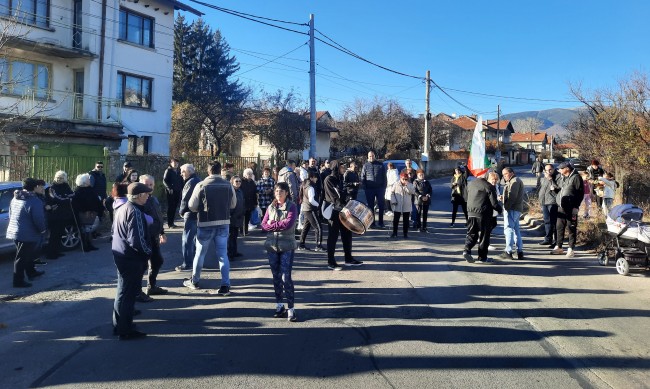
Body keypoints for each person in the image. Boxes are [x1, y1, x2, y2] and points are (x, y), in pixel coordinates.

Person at [184, 161, 237, 294]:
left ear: (208, 171)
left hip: (205, 223)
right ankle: (225, 285)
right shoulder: (228, 185)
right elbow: (233, 204)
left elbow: (191, 205)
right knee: (223, 255)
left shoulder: (201, 185)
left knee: (200, 254)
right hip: (223, 223)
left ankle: (194, 281)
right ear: (220, 171)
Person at [111, 182, 152, 340]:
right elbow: (137, 241)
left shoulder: (122, 208)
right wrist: (148, 253)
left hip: (121, 255)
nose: (148, 196)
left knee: (122, 292)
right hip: (130, 258)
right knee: (128, 295)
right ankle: (125, 329)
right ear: (139, 195)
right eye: (146, 194)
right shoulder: (134, 212)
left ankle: (119, 324)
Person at [262, 182, 299, 322]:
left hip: (287, 246)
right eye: (277, 191)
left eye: (281, 191)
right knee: (276, 277)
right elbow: (263, 225)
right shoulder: (271, 207)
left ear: (287, 193)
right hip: (272, 246)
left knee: (286, 277)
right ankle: (279, 305)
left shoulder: (292, 207)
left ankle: (291, 308)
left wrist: (273, 224)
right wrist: (272, 225)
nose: (278, 193)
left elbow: (288, 224)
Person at [6, 178, 47, 288]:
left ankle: (31, 272)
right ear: (34, 187)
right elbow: (38, 218)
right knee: (22, 258)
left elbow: (10, 214)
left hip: (16, 231)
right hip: (27, 234)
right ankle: (18, 281)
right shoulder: (34, 201)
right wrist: (42, 230)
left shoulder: (16, 197)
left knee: (27, 255)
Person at [324, 159, 363, 270]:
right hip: (334, 211)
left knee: (347, 234)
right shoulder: (329, 179)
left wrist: (350, 203)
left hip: (343, 210)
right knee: (333, 237)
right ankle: (330, 261)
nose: (344, 168)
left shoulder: (340, 178)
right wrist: (343, 208)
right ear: (336, 167)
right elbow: (334, 197)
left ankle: (348, 258)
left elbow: (343, 194)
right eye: (342, 167)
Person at [463, 171, 502, 264]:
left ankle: (466, 250)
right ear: (486, 176)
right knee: (484, 236)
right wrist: (500, 210)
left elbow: (465, 197)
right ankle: (482, 257)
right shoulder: (488, 186)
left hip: (471, 213)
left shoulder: (471, 184)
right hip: (484, 214)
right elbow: (494, 203)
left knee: (471, 234)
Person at [139, 175, 168, 297]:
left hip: (154, 237)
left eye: (151, 185)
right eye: (146, 185)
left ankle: (151, 286)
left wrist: (162, 232)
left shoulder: (154, 199)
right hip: (144, 238)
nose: (149, 187)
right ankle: (137, 292)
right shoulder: (140, 201)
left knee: (157, 261)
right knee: (141, 266)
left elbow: (158, 217)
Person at [551, 162, 584, 258]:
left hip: (571, 207)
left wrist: (576, 206)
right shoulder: (564, 177)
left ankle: (571, 249)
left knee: (571, 227)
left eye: (561, 169)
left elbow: (580, 193)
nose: (559, 170)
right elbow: (562, 190)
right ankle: (559, 246)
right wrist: (555, 190)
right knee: (559, 227)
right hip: (561, 206)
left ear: (567, 169)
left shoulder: (576, 177)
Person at [176, 164, 201, 272]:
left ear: (189, 172)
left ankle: (187, 263)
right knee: (196, 238)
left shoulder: (190, 182)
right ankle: (196, 261)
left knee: (187, 239)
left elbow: (185, 200)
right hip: (198, 213)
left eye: (183, 171)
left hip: (190, 213)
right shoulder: (198, 180)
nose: (181, 174)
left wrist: (181, 211)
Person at [43, 171, 74, 259]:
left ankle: (57, 251)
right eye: (57, 177)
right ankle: (50, 253)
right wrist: (67, 199)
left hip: (64, 215)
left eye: (61, 178)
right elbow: (58, 199)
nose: (59, 179)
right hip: (54, 215)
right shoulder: (51, 188)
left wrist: (67, 198)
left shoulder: (66, 186)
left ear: (64, 179)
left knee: (60, 234)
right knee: (53, 235)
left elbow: (72, 195)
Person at [498, 167, 525, 260]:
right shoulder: (512, 181)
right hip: (514, 208)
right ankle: (520, 251)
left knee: (508, 229)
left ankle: (508, 251)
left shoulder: (515, 181)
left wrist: (506, 207)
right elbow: (510, 195)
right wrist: (503, 198)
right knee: (516, 230)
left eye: (506, 174)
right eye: (503, 174)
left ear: (512, 173)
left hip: (512, 209)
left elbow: (513, 196)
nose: (504, 176)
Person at [72, 173, 103, 252]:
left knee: (88, 230)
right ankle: (85, 246)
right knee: (84, 230)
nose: (90, 180)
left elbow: (96, 200)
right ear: (84, 182)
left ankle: (89, 245)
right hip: (84, 213)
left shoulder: (90, 189)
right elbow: (78, 205)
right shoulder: (78, 192)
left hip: (92, 213)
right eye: (88, 179)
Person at [298, 171, 324, 251]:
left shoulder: (304, 184)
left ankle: (301, 245)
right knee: (318, 227)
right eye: (316, 178)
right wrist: (318, 205)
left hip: (305, 208)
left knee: (306, 227)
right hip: (310, 209)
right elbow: (311, 199)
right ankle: (318, 245)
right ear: (312, 177)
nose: (316, 179)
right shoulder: (311, 186)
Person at [360, 151, 386, 229]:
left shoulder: (380, 165)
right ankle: (372, 223)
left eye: (372, 156)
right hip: (369, 189)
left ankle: (381, 222)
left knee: (381, 206)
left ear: (375, 156)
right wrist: (365, 187)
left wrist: (383, 188)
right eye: (370, 156)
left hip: (379, 189)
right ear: (368, 157)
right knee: (370, 207)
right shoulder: (365, 166)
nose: (371, 157)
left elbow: (384, 177)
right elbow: (362, 177)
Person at [389, 172, 415, 239]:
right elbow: (392, 193)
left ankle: (405, 234)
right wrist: (393, 201)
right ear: (400, 178)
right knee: (396, 220)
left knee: (406, 220)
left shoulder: (410, 185)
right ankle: (394, 233)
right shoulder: (396, 184)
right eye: (403, 179)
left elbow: (412, 192)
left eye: (406, 179)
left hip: (406, 205)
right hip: (397, 204)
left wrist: (407, 186)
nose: (404, 180)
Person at [538, 164, 559, 247]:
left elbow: (558, 187)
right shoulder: (545, 177)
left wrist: (550, 179)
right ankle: (548, 239)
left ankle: (556, 241)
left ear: (553, 169)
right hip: (544, 202)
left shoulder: (557, 176)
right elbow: (543, 188)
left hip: (552, 202)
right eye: (546, 170)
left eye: (550, 169)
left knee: (554, 222)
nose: (548, 172)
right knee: (547, 221)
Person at [163, 158, 184, 228]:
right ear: (171, 163)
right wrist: (170, 188)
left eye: (177, 163)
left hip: (178, 191)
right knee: (171, 207)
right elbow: (165, 181)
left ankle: (172, 222)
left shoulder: (179, 171)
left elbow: (181, 181)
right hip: (170, 192)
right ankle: (169, 223)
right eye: (174, 163)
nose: (175, 164)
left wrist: (183, 188)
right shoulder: (168, 171)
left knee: (175, 207)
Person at [228, 176, 245, 259]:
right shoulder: (230, 191)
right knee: (230, 236)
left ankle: (234, 251)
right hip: (232, 217)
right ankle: (230, 253)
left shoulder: (240, 191)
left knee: (235, 236)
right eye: (236, 181)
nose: (238, 183)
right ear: (232, 182)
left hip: (238, 216)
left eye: (239, 181)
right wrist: (231, 214)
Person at [241, 168, 258, 235]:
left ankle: (245, 230)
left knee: (247, 217)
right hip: (243, 202)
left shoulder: (252, 182)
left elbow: (254, 193)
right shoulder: (241, 181)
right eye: (248, 174)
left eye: (251, 174)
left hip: (250, 202)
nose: (250, 175)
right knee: (242, 217)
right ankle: (242, 230)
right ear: (245, 175)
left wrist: (255, 203)